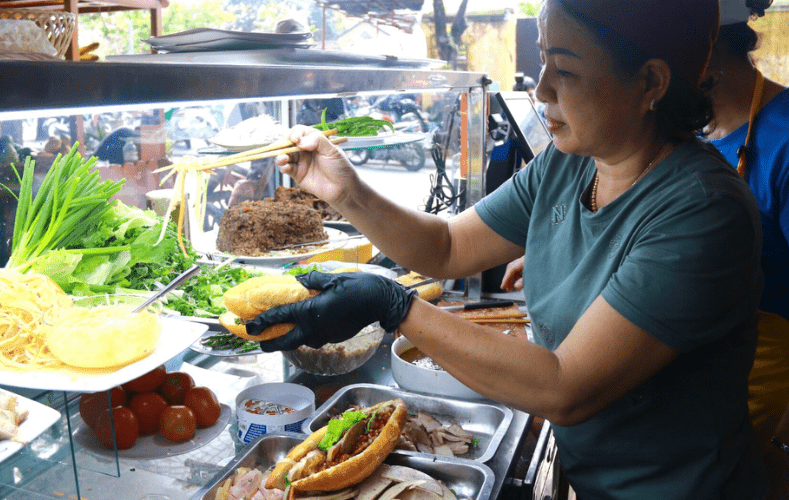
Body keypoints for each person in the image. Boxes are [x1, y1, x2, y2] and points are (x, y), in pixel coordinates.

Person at [249, 0, 768, 497]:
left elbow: (564, 387)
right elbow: (448, 246)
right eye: (543, 61)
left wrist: (393, 306)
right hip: (592, 477)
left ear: (651, 81)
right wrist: (348, 191)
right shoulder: (568, 165)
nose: (541, 89)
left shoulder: (702, 212)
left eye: (564, 70)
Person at [701, 0, 789, 497]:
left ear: (706, 48)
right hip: (701, 403)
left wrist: (784, 450)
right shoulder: (689, 134)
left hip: (767, 404)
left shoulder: (784, 140)